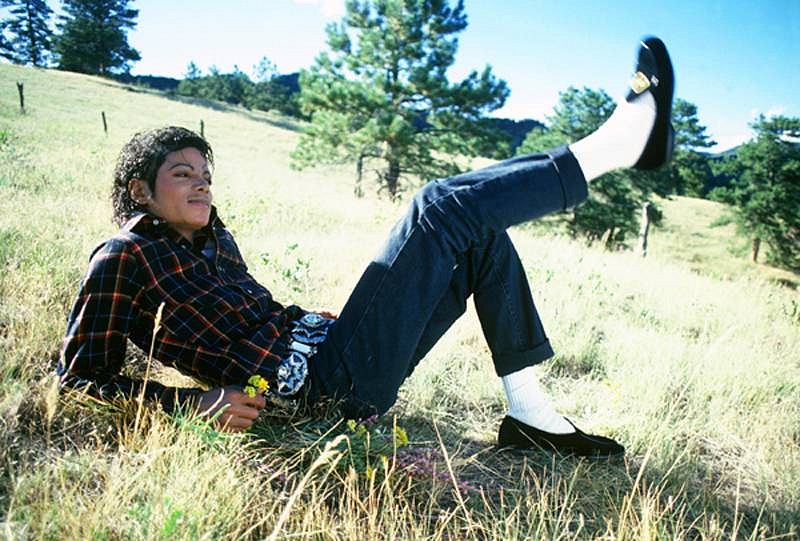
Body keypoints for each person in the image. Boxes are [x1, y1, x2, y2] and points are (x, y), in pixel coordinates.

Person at [59, 37, 674, 458]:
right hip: (314, 394)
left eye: (204, 171)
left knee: (481, 237)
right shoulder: (123, 257)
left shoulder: (213, 240)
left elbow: (254, 323)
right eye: (181, 174)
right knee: (439, 207)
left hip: (334, 353)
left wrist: (317, 325)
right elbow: (80, 382)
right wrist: (196, 403)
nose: (202, 182)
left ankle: (530, 416)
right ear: (140, 189)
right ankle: (613, 149)